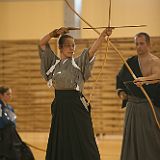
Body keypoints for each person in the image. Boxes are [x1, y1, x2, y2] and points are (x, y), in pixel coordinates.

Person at [39, 27, 112, 160]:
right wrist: (54, 33)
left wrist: (103, 35)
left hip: (76, 105)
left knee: (83, 138)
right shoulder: (53, 64)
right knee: (62, 138)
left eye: (73, 45)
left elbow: (91, 50)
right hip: (60, 106)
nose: (72, 48)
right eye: (68, 46)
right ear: (60, 47)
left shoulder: (78, 63)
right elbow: (42, 43)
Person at [116, 32, 160, 160]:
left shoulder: (155, 61)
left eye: (142, 43)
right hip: (132, 107)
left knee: (151, 139)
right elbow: (120, 79)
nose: (139, 46)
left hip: (149, 107)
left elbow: (157, 76)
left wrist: (144, 79)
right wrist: (121, 93)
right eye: (136, 44)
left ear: (148, 44)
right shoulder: (130, 62)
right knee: (132, 138)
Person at [0, 86, 35, 160]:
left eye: (10, 94)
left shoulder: (9, 107)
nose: (10, 96)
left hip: (12, 135)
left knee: (25, 153)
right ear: (1, 95)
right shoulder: (0, 107)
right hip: (3, 136)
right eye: (8, 94)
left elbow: (13, 121)